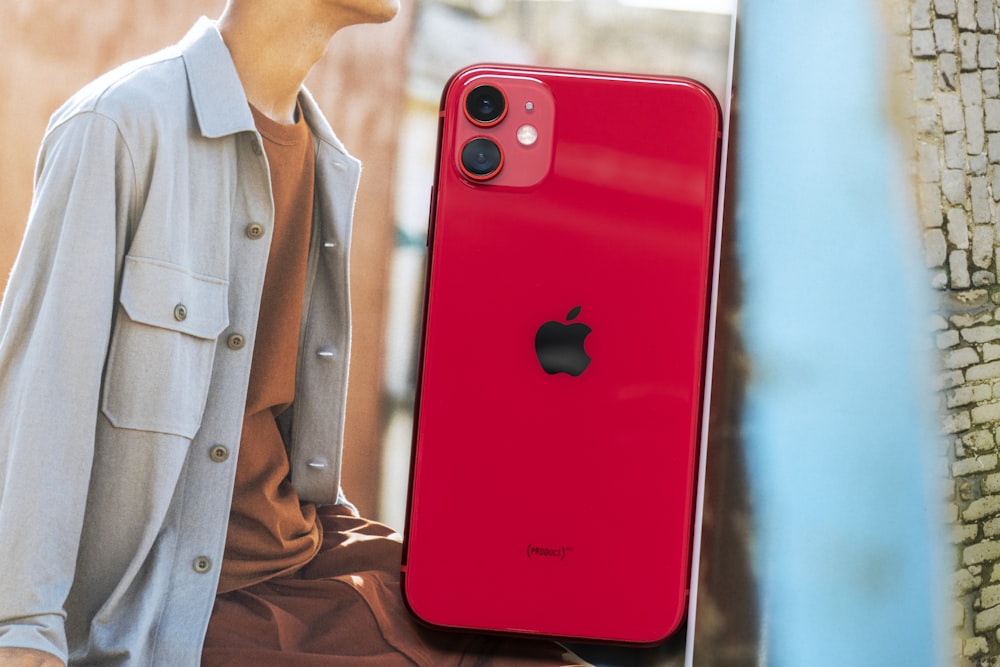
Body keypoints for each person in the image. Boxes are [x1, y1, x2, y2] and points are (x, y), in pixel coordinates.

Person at [0, 1, 589, 665]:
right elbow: (40, 398)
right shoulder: (118, 125)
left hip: (306, 556)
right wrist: (23, 633)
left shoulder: (324, 155)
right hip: (178, 609)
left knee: (535, 640)